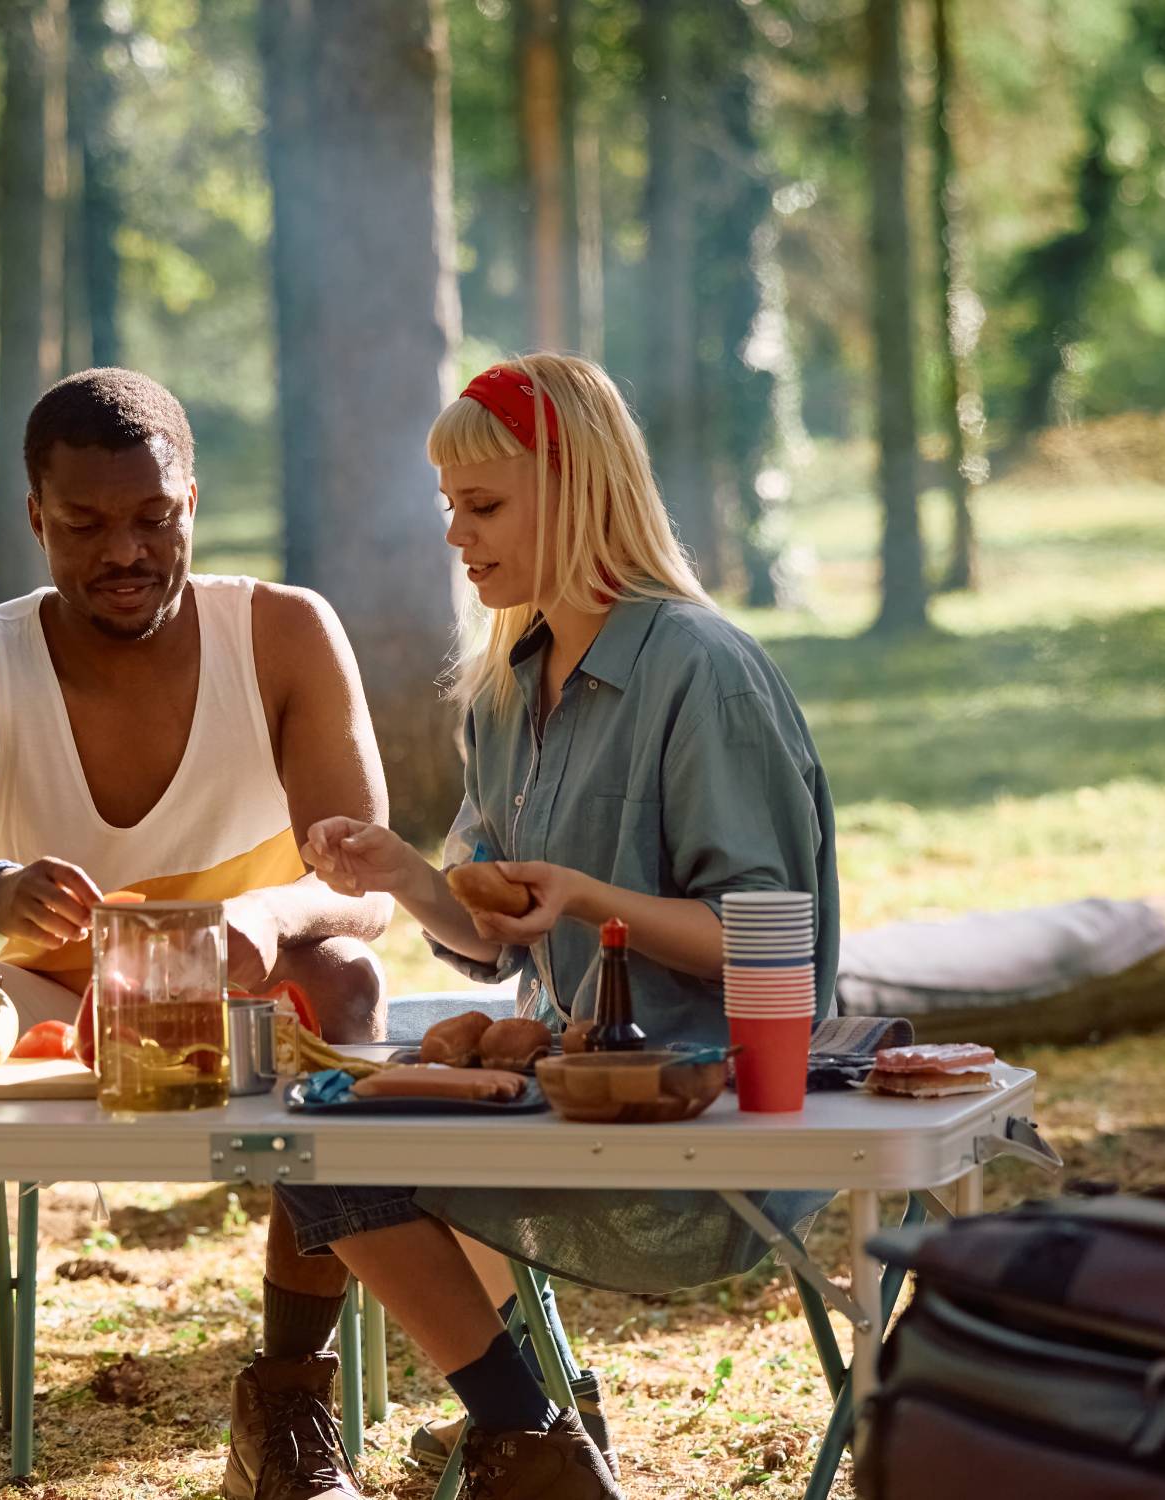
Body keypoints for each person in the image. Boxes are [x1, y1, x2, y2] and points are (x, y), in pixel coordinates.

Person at [0, 369, 392, 1500]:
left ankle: (287, 1405)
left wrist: (264, 916)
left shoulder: (283, 632)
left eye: (151, 518)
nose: (124, 552)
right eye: (84, 525)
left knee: (347, 976)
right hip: (55, 1006)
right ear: (35, 519)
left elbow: (371, 874)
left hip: (251, 1000)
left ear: (193, 502)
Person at [279, 353, 839, 1500]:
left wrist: (588, 898)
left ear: (576, 489)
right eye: (449, 508)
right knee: (311, 1135)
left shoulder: (704, 674)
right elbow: (498, 936)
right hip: (559, 1092)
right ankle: (529, 1434)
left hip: (716, 1111)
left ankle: (526, 1436)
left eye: (482, 506)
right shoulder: (501, 689)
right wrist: (410, 877)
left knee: (331, 1156)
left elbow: (769, 942)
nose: (456, 534)